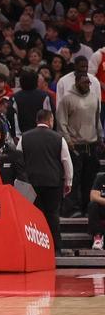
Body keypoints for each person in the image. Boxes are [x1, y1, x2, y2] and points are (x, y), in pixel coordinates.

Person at [18, 109, 73, 253]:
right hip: (53, 183)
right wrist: (68, 182)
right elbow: (67, 162)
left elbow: (18, 161)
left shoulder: (24, 138)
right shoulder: (58, 138)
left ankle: (35, 249)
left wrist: (21, 183)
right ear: (50, 120)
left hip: (31, 184)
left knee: (33, 216)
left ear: (37, 120)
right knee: (52, 215)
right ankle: (56, 249)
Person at [56, 71, 101, 216]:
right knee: (73, 179)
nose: (87, 85)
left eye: (88, 82)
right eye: (84, 82)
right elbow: (61, 122)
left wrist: (100, 137)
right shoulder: (67, 99)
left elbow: (97, 120)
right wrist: (68, 141)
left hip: (91, 144)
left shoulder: (94, 97)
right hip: (75, 145)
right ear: (76, 82)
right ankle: (71, 209)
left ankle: (87, 208)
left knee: (89, 179)